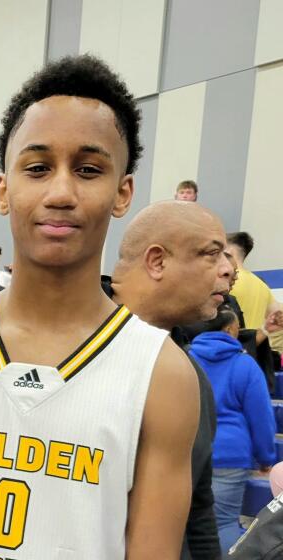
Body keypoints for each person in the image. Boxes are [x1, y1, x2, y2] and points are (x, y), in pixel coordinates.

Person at [0, 54, 200, 558]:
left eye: (88, 170)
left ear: (122, 192)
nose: (61, 192)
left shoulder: (163, 375)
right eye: (38, 168)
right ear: (4, 189)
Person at [105, 200, 234, 559]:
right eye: (213, 254)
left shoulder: (188, 376)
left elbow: (198, 508)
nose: (228, 270)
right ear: (157, 261)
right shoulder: (64, 347)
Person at [189, 307, 277, 555]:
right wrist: (265, 458)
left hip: (189, 453)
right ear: (229, 329)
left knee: (187, 522)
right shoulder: (244, 364)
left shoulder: (184, 358)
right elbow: (261, 417)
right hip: (230, 457)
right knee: (224, 522)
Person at [226, 232, 281, 331]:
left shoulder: (224, 280)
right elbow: (278, 314)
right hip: (252, 344)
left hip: (228, 343)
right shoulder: (263, 286)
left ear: (229, 252)